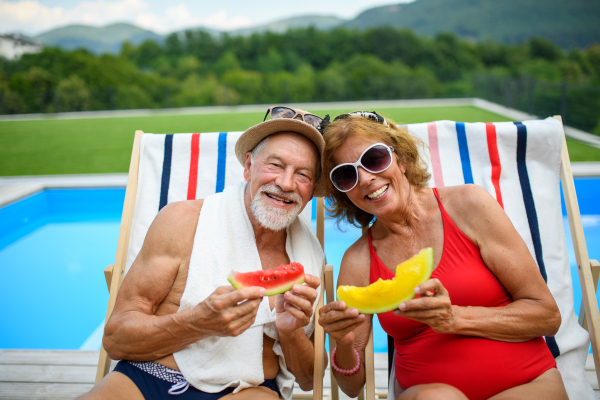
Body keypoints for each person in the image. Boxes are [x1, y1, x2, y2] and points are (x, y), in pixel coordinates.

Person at [80, 106, 328, 400]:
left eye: (302, 174)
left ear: (311, 190)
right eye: (275, 165)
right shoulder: (180, 222)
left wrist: (290, 333)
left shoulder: (309, 258)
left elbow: (308, 380)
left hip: (246, 391)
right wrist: (197, 322)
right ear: (248, 166)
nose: (286, 183)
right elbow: (115, 340)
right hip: (147, 377)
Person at [317, 111, 568, 400]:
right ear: (342, 192)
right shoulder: (357, 261)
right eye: (346, 175)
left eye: (374, 159)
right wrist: (344, 344)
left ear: (400, 158)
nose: (366, 179)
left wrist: (455, 319)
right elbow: (351, 388)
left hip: (527, 383)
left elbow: (547, 315)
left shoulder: (469, 204)